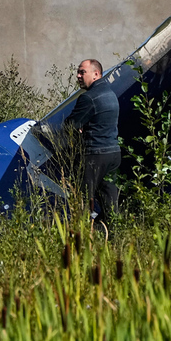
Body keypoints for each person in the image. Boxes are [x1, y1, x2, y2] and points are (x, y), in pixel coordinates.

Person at [64, 59, 121, 224]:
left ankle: (81, 237)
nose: (78, 76)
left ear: (96, 74)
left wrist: (79, 127)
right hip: (113, 153)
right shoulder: (111, 94)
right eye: (78, 72)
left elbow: (70, 125)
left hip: (95, 154)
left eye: (82, 72)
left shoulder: (89, 98)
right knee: (111, 203)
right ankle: (114, 238)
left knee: (82, 201)